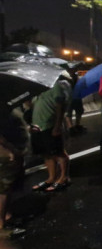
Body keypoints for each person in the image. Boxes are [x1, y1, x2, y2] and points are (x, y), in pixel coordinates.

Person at [29, 77, 72, 192]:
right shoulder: (36, 90)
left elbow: (60, 107)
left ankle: (64, 177)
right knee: (46, 154)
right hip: (38, 127)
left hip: (50, 125)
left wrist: (57, 126)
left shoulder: (55, 86)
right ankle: (51, 178)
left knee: (59, 153)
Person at [0, 106, 27, 239]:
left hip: (8, 153)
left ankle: (5, 216)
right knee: (3, 191)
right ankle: (1, 226)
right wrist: (9, 149)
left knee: (7, 189)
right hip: (4, 155)